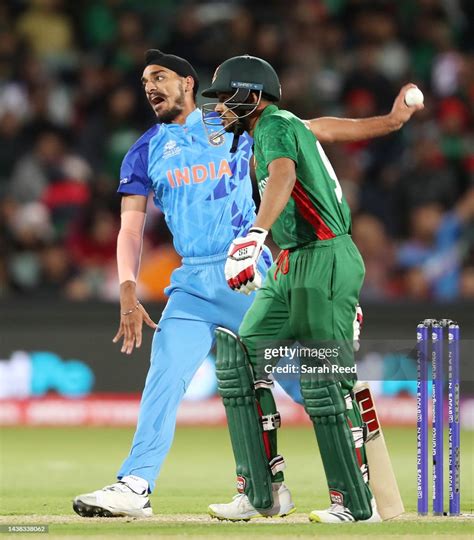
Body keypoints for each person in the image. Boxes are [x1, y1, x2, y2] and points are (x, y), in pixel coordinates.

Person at [72, 49, 420, 519]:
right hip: (191, 284)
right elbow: (131, 229)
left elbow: (315, 129)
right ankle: (138, 485)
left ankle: (358, 484)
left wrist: (390, 122)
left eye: (159, 77)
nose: (149, 86)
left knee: (306, 383)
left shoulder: (231, 122)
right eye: (144, 81)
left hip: (246, 274)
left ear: (188, 83)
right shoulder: (145, 149)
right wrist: (128, 286)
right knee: (165, 376)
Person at [201, 55, 422, 523]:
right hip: (293, 262)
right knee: (241, 356)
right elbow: (334, 128)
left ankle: (356, 505)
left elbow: (284, 176)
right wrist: (391, 121)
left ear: (252, 97)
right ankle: (263, 494)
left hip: (324, 259)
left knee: (327, 378)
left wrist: (254, 235)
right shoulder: (287, 124)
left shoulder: (274, 128)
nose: (218, 108)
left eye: (225, 98)